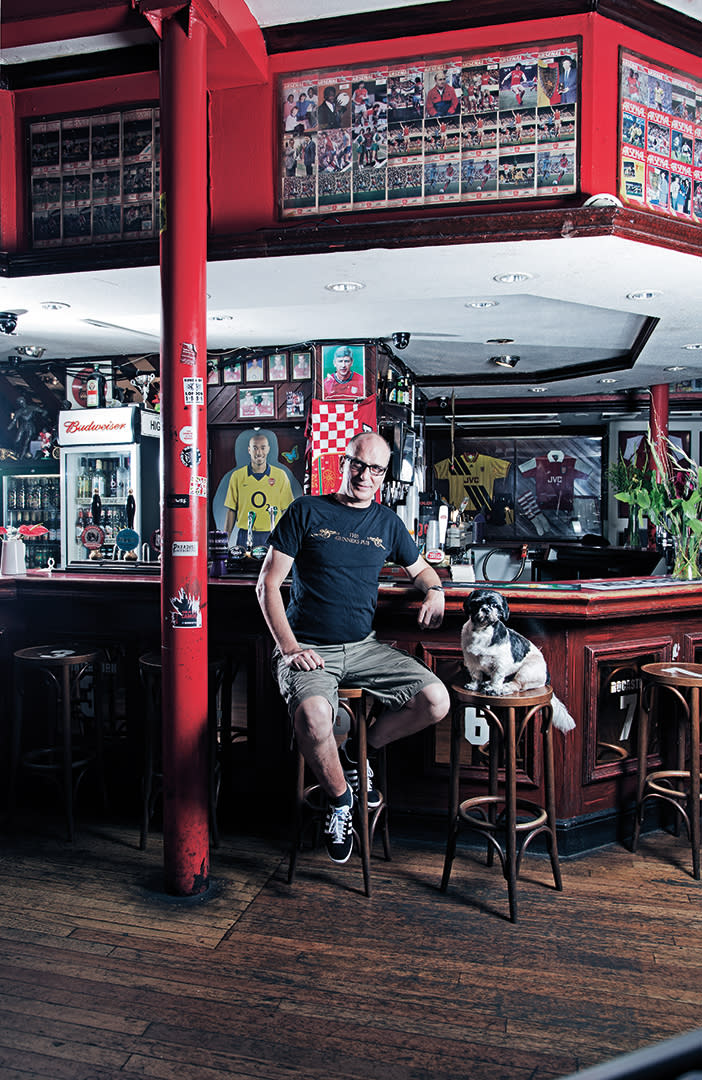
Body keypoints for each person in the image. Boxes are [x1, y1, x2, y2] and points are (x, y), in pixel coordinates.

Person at [256, 432, 450, 865]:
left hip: (362, 648)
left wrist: (435, 590)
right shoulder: (307, 509)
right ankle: (341, 800)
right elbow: (267, 585)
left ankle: (358, 751)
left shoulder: (386, 522)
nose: (365, 476)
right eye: (358, 465)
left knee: (436, 700)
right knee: (312, 715)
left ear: (385, 475)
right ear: (342, 464)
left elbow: (420, 569)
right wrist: (289, 649)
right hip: (306, 646)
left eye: (376, 469)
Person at [224, 432, 294, 547]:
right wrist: (225, 541)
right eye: (255, 448)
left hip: (272, 534)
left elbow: (286, 510)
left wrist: (288, 538)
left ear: (268, 449)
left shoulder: (280, 475)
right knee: (244, 565)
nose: (259, 452)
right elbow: (231, 510)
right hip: (245, 535)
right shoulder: (237, 476)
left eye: (263, 448)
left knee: (273, 565)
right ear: (249, 450)